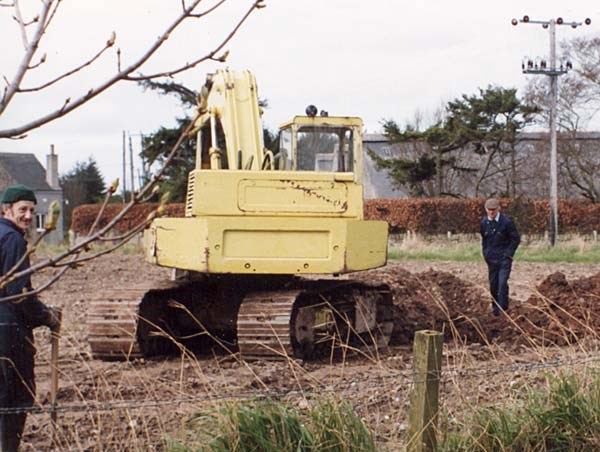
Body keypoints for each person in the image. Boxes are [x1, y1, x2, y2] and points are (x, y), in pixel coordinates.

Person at [0, 184, 60, 452]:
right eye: (22, 209)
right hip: (8, 334)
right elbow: (19, 293)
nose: (27, 215)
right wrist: (47, 317)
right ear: (6, 210)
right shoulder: (12, 239)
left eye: (32, 210)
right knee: (13, 401)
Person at [480, 198, 520, 316]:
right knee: (493, 284)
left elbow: (515, 239)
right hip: (491, 259)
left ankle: (503, 309)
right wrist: (486, 253)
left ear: (498, 209)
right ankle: (495, 308)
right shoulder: (484, 223)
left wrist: (508, 254)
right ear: (486, 209)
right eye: (489, 210)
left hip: (504, 259)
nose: (491, 212)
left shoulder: (506, 222)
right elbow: (484, 239)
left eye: (493, 210)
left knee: (502, 283)